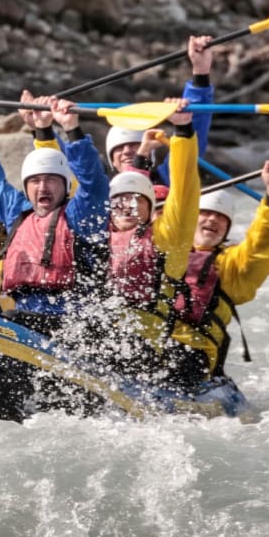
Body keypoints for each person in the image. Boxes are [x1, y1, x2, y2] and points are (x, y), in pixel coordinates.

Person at [0, 88, 109, 331]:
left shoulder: (80, 215)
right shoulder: (18, 213)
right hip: (24, 316)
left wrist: (72, 129)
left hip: (70, 324)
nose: (42, 187)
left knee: (10, 319)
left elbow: (94, 182)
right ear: (26, 186)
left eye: (51, 180)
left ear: (65, 186)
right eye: (35, 181)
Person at [98, 99, 201, 379]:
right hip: (104, 334)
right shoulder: (101, 237)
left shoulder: (166, 239)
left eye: (135, 201)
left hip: (143, 345)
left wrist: (183, 132)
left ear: (150, 207)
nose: (126, 206)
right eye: (118, 202)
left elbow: (184, 189)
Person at [171, 172, 269, 381]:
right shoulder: (166, 251)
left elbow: (261, 246)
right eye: (205, 213)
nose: (213, 219)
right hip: (154, 339)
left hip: (194, 352)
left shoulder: (232, 263)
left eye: (222, 217)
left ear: (227, 228)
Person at [105, 35, 214, 183]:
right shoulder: (99, 193)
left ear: (151, 152)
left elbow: (188, 147)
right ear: (112, 161)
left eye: (135, 145)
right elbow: (81, 167)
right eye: (119, 148)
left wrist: (200, 72)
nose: (127, 151)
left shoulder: (168, 181)